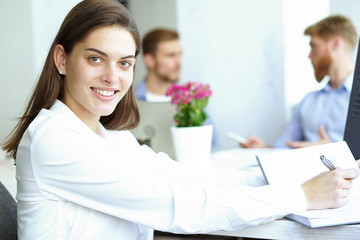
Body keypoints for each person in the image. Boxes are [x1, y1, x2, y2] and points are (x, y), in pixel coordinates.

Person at [2, 1, 359, 239]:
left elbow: (182, 175)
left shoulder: (106, 135)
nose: (113, 77)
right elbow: (178, 206)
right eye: (96, 59)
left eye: (125, 62)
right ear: (62, 60)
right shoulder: (56, 139)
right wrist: (298, 196)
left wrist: (282, 177)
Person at [242, 15, 358, 149]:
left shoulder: (356, 98)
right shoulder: (309, 101)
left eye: (314, 46)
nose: (309, 55)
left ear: (335, 43)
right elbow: (284, 147)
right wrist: (264, 148)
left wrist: (333, 150)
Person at [135, 28, 182, 102]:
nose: (179, 63)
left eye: (179, 54)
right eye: (171, 55)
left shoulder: (190, 101)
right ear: (149, 60)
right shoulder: (129, 101)